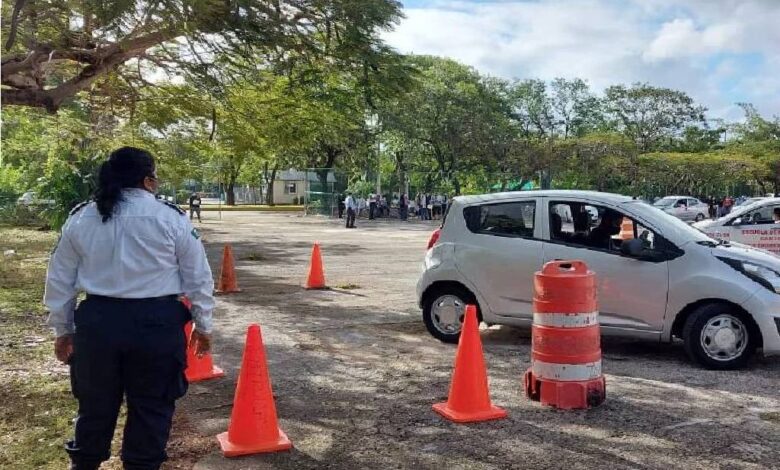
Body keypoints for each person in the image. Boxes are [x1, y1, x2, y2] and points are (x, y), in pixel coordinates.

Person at [44, 147, 214, 470]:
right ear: (148, 181)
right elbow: (198, 278)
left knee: (94, 410)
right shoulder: (171, 218)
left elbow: (59, 280)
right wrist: (202, 326)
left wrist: (63, 330)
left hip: (97, 328)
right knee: (151, 411)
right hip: (156, 328)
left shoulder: (82, 218)